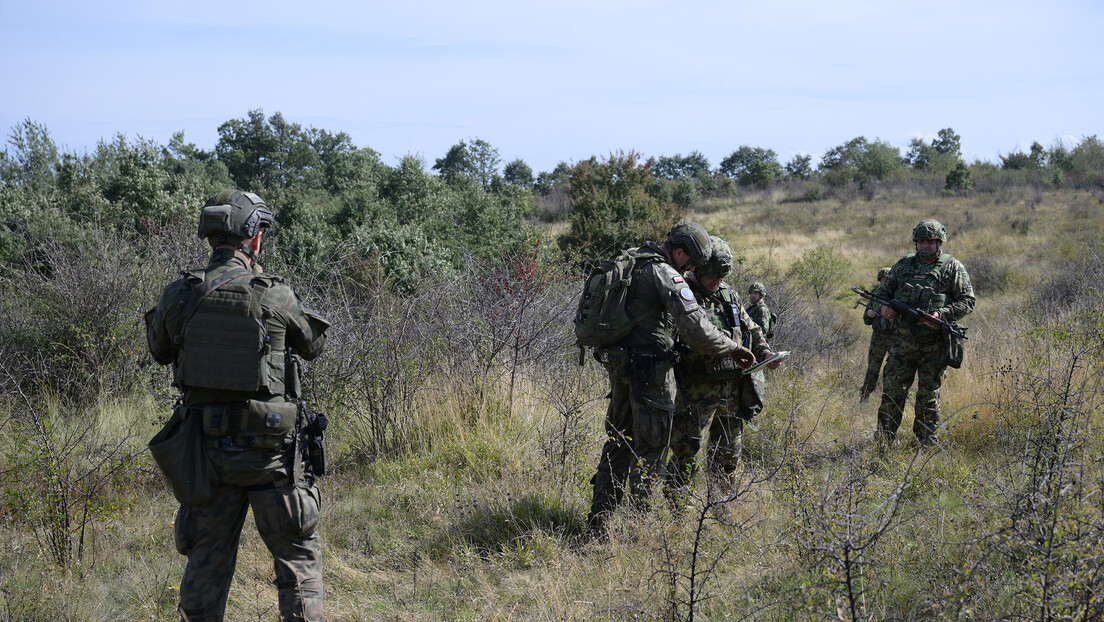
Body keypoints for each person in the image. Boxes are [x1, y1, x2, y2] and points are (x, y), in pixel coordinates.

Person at [145, 190, 331, 621]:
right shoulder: (274, 295)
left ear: (209, 239)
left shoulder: (179, 295)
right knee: (297, 563)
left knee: (205, 567)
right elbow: (313, 345)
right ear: (255, 238)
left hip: (205, 458)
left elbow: (159, 350)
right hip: (272, 457)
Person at [587, 222, 756, 533]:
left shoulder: (632, 259)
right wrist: (734, 348)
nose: (692, 269)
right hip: (651, 376)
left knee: (617, 443)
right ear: (678, 252)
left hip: (619, 369)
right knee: (652, 449)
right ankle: (641, 530)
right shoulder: (666, 273)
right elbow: (698, 331)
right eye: (690, 263)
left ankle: (599, 523)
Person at [667, 237, 780, 489]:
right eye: (712, 277)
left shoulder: (729, 294)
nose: (717, 282)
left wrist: (766, 353)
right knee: (687, 453)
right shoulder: (683, 294)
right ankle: (676, 511)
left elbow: (751, 329)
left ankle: (721, 504)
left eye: (721, 277)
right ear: (698, 269)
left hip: (731, 391)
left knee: (729, 454)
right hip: (696, 391)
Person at [874, 219, 974, 446]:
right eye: (921, 241)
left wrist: (942, 315)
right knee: (892, 394)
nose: (925, 245)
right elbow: (883, 292)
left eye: (930, 241)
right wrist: (884, 308)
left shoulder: (952, 267)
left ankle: (925, 445)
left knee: (928, 398)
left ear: (940, 242)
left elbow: (967, 301)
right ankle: (883, 443)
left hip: (935, 346)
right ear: (915, 242)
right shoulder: (902, 265)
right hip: (902, 344)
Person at [859, 267, 894, 403]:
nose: (885, 282)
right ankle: (865, 396)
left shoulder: (898, 296)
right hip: (878, 337)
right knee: (872, 369)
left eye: (887, 279)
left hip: (894, 338)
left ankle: (892, 398)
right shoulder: (874, 297)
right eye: (883, 279)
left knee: (894, 370)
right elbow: (866, 320)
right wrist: (869, 314)